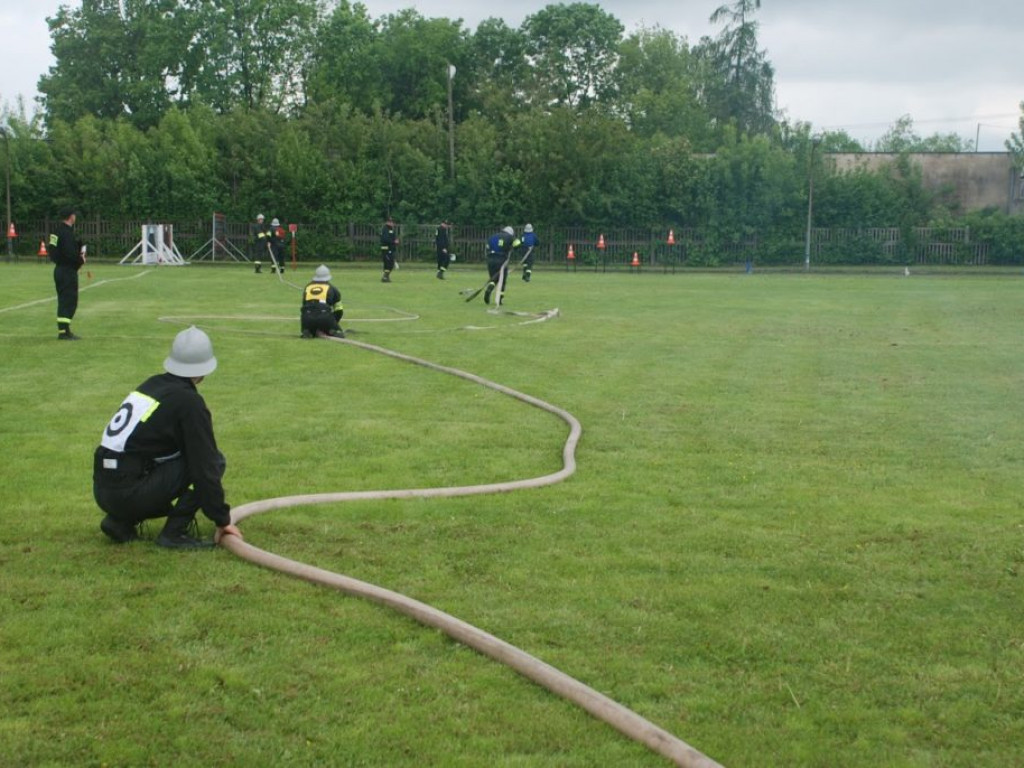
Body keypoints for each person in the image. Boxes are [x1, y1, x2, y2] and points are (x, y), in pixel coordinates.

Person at [93, 326, 243, 549]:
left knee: (156, 459)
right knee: (213, 460)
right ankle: (174, 534)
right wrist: (222, 520)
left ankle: (120, 521)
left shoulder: (152, 385)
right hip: (129, 492)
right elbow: (205, 465)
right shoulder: (189, 402)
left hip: (103, 490)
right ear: (205, 367)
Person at [48, 206, 86, 340]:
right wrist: (80, 260)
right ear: (71, 217)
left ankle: (65, 330)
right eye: (74, 215)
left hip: (59, 269)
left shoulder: (56, 232)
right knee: (69, 300)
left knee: (64, 299)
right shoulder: (67, 233)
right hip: (67, 271)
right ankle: (63, 332)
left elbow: (52, 251)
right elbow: (70, 253)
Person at [300, 264, 345, 339]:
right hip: (325, 317)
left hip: (307, 318)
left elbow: (304, 307)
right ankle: (331, 330)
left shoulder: (307, 287)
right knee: (339, 334)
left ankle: (308, 331)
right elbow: (339, 310)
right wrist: (334, 323)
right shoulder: (332, 288)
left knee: (309, 321)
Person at [483, 226, 520, 306]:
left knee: (493, 278)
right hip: (501, 260)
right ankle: (499, 299)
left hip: (490, 260)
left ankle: (489, 288)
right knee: (502, 280)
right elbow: (517, 243)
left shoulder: (492, 236)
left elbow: (487, 248)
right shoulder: (510, 237)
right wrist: (513, 248)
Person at [379, 217, 398, 282]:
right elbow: (385, 239)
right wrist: (393, 241)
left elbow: (392, 237)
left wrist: (395, 241)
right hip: (386, 249)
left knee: (391, 263)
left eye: (392, 222)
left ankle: (386, 276)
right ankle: (385, 277)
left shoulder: (391, 229)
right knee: (387, 263)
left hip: (391, 249)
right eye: (391, 222)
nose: (392, 223)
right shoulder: (385, 229)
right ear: (387, 222)